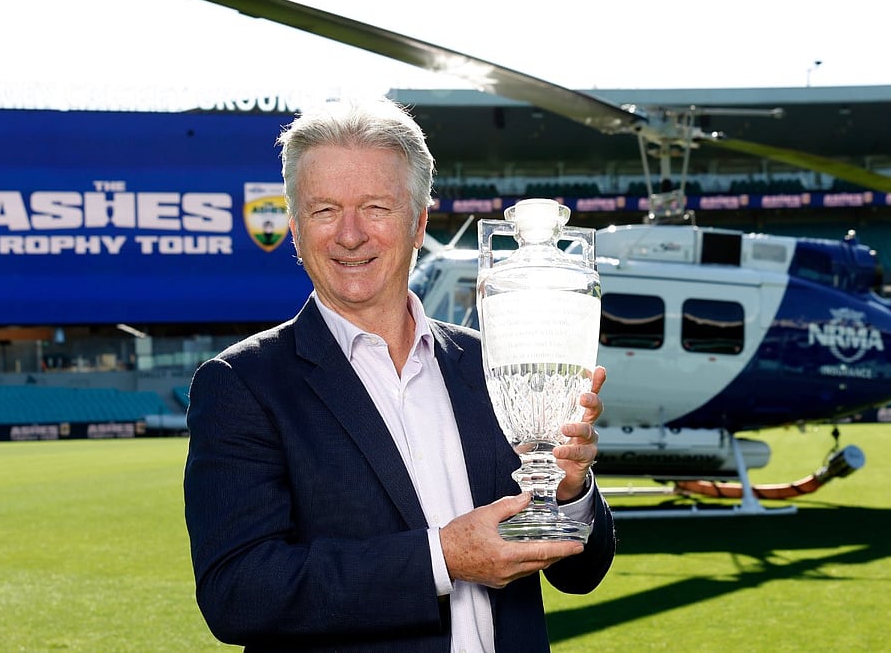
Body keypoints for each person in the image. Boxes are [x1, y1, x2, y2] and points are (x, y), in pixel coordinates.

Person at [183, 96, 616, 652]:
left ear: (419, 224)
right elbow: (239, 593)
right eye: (324, 210)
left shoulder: (489, 365)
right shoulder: (242, 384)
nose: (350, 234)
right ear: (294, 229)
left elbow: (580, 574)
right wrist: (443, 558)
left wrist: (569, 489)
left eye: (376, 208)